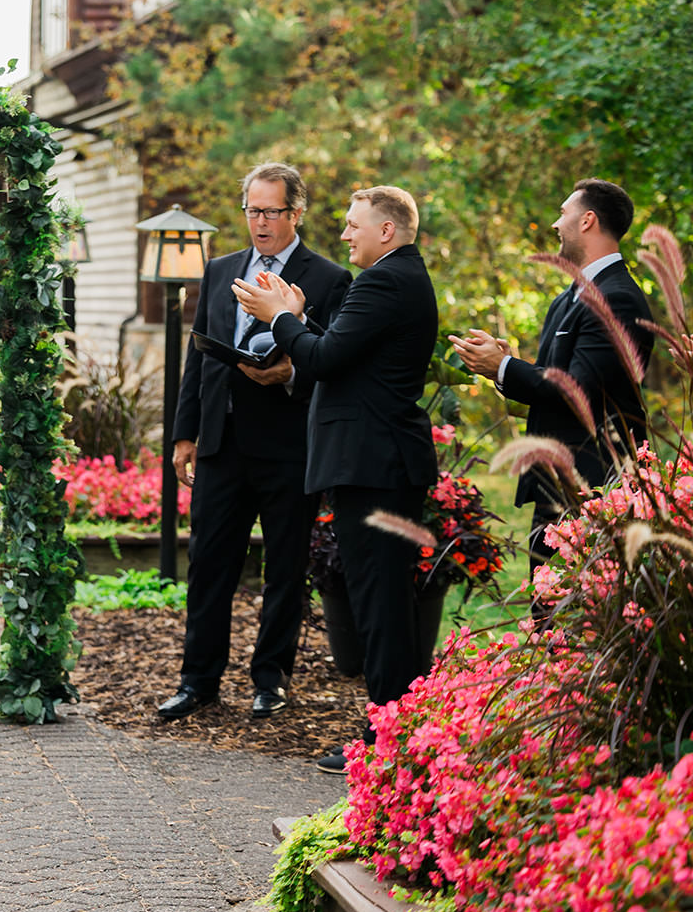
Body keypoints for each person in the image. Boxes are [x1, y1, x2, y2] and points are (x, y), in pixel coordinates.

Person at [233, 185, 437, 773]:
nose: (345, 234)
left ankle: (390, 740)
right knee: (383, 603)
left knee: (382, 606)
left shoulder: (385, 280)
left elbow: (321, 361)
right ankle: (393, 729)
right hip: (377, 463)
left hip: (373, 465)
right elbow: (347, 349)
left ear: (387, 231)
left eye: (354, 225)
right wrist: (305, 315)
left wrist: (282, 320)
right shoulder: (398, 278)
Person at [160, 163, 351, 722]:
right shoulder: (219, 269)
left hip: (289, 443)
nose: (261, 222)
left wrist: (289, 376)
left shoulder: (329, 278)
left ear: (296, 213)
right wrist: (185, 433)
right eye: (252, 210)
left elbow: (334, 364)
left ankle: (271, 680)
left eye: (272, 211)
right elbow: (199, 356)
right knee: (209, 564)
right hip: (220, 441)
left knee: (285, 571)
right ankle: (198, 681)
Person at [448, 178, 652, 574]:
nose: (556, 224)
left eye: (563, 213)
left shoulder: (617, 298)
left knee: (574, 619)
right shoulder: (569, 297)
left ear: (588, 220)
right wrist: (508, 367)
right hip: (556, 486)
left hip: (594, 489)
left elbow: (577, 390)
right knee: (547, 620)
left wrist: (503, 367)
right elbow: (558, 377)